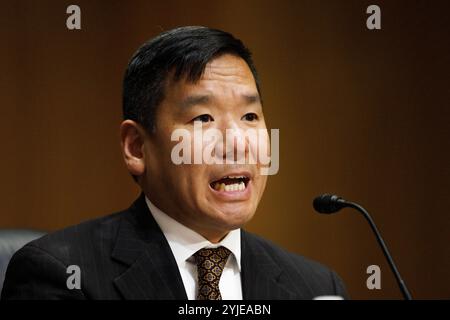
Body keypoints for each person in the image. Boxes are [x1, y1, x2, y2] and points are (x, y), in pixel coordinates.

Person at [1, 26, 347, 300]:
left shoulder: (317, 287)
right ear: (137, 147)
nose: (237, 142)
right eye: (203, 118)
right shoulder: (62, 274)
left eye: (250, 115)